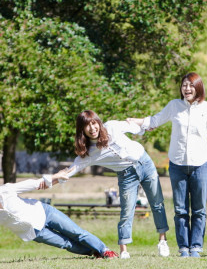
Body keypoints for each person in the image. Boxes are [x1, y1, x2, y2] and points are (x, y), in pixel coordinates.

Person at [127, 72, 207, 257]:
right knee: (180, 209)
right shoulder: (174, 106)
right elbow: (155, 121)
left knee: (199, 209)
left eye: (191, 85)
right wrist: (136, 121)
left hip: (200, 166)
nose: (187, 88)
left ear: (198, 87)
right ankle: (183, 248)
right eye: (184, 85)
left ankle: (195, 247)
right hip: (178, 165)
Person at [61, 110, 169, 259]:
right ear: (82, 130)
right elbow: (71, 170)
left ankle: (162, 241)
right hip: (126, 175)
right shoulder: (89, 153)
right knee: (126, 211)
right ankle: (124, 249)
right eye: (87, 126)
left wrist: (144, 126)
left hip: (145, 163)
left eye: (93, 123)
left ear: (98, 122)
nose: (92, 128)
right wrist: (49, 180)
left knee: (157, 203)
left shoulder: (111, 126)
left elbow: (132, 126)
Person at [0, 172, 118, 267]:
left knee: (77, 232)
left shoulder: (5, 190)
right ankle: (95, 252)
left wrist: (54, 178)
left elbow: (32, 184)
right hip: (34, 232)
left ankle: (105, 251)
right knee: (67, 244)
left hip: (45, 212)